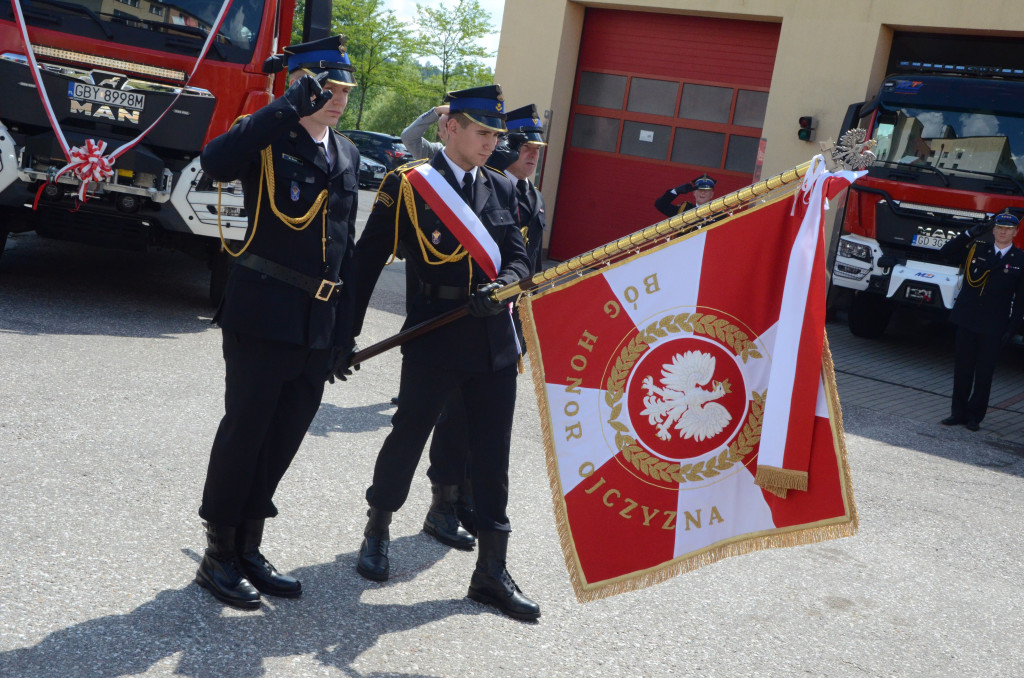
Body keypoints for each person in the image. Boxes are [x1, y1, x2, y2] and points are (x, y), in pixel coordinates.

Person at [350, 84, 540, 621]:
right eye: (482, 132)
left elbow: (521, 262)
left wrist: (502, 283)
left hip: (492, 341)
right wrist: (343, 336)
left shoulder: (503, 189)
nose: (491, 144)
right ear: (448, 128)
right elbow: (366, 263)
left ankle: (491, 572)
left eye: (496, 135)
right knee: (408, 435)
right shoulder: (408, 186)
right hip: (434, 334)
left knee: (493, 456)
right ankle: (378, 527)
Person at [194, 35, 361, 610]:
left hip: (317, 321)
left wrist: (343, 332)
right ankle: (218, 553)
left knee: (284, 437)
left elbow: (344, 245)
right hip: (263, 310)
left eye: (344, 89)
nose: (338, 98)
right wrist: (285, 105)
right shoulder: (270, 136)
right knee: (247, 431)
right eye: (327, 88)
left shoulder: (347, 153)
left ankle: (250, 545)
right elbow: (214, 162)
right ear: (303, 84)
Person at [420, 104, 548, 542]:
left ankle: (471, 501)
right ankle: (444, 504)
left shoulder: (529, 194)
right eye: (524, 146)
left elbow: (525, 260)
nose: (531, 154)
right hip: (466, 317)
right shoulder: (478, 185)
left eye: (537, 148)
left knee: (489, 426)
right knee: (455, 419)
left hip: (507, 320)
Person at [939, 208, 1024, 432]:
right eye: (999, 228)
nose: (1003, 232)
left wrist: (1012, 328)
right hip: (967, 320)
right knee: (963, 369)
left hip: (994, 325)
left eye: (1008, 229)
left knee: (984, 373)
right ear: (993, 230)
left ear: (1015, 232)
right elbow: (946, 251)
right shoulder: (978, 248)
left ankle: (975, 416)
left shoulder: (1020, 259)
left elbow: (1021, 299)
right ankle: (957, 413)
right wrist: (969, 234)